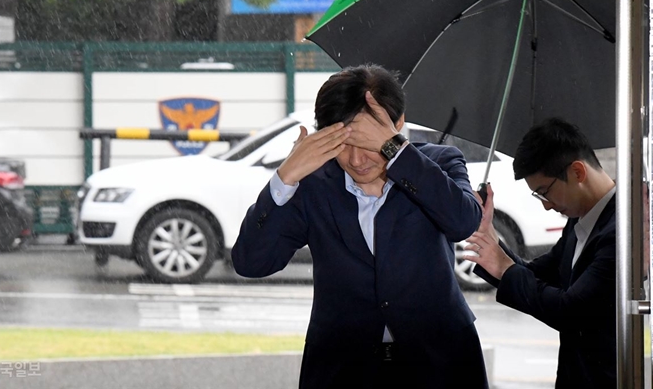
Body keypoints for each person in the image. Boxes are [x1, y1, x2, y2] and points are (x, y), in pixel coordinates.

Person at [232, 64, 489, 389]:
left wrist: (396, 151)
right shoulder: (314, 183)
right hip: (342, 367)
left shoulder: (437, 163)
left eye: (368, 143)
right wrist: (285, 178)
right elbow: (251, 263)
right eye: (343, 144)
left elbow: (463, 222)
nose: (356, 160)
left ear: (398, 124)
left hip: (439, 364)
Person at [464, 118, 616, 388]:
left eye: (544, 193)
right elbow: (535, 273)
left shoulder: (622, 231)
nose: (547, 207)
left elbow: (571, 311)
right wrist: (490, 240)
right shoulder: (580, 221)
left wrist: (505, 268)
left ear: (578, 172)